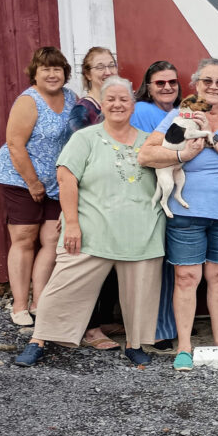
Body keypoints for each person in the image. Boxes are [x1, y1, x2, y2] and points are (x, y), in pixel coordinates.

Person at [14, 76, 165, 367]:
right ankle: (39, 339)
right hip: (92, 229)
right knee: (64, 285)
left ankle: (134, 343)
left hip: (142, 230)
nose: (118, 104)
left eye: (124, 99)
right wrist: (71, 222)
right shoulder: (86, 138)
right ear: (102, 105)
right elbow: (66, 177)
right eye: (111, 99)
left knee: (140, 292)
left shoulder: (149, 142)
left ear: (133, 105)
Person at [138, 58, 218, 372]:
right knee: (187, 278)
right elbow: (146, 154)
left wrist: (210, 137)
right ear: (196, 85)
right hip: (186, 213)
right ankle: (185, 346)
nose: (214, 87)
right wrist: (181, 154)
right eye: (207, 81)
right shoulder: (179, 116)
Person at [0, 47, 77, 326]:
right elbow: (15, 145)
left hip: (56, 180)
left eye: (57, 69)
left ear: (65, 73)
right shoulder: (28, 101)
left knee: (52, 239)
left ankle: (40, 301)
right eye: (46, 69)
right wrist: (33, 183)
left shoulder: (71, 98)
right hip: (21, 177)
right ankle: (19, 305)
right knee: (25, 237)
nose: (52, 74)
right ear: (35, 73)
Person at [65, 47, 123, 351]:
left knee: (114, 260)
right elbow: (85, 154)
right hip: (93, 196)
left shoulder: (120, 102)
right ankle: (89, 328)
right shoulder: (83, 110)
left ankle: (105, 316)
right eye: (99, 66)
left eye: (111, 65)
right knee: (93, 265)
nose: (106, 71)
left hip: (118, 196)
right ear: (87, 73)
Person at [129, 60, 182, 351]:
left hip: (170, 195)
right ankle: (154, 329)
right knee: (154, 264)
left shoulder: (179, 112)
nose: (167, 87)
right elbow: (140, 153)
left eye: (172, 82)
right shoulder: (141, 111)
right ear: (147, 87)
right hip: (148, 192)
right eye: (160, 82)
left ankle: (164, 325)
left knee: (168, 264)